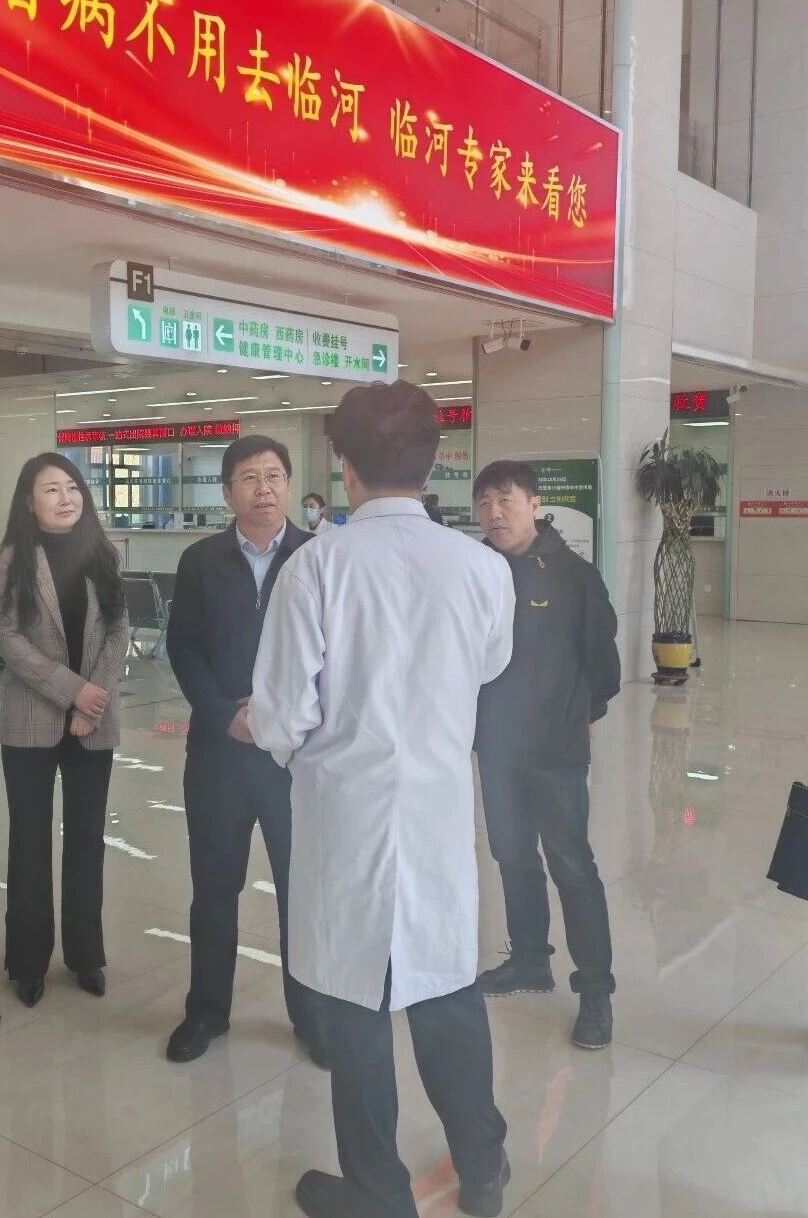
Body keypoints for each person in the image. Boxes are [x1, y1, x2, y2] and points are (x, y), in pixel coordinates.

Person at [247, 382, 516, 1218]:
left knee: (355, 1004)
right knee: (445, 989)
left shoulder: (316, 566)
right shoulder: (481, 567)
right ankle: (483, 1167)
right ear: (433, 464)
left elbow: (280, 716)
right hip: (435, 811)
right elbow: (490, 666)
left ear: (345, 466)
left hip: (345, 816)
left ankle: (376, 1191)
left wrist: (305, 746)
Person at [165, 436, 324, 1065]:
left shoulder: (317, 557)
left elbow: (336, 652)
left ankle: (311, 1017)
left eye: (275, 475)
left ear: (290, 485)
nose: (265, 488)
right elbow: (184, 647)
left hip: (297, 758)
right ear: (228, 491)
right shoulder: (201, 560)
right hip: (219, 752)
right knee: (213, 886)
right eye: (250, 477)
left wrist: (293, 721)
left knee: (300, 889)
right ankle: (207, 1011)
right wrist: (222, 715)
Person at [473, 459, 620, 1051]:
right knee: (512, 855)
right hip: (496, 746)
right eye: (485, 502)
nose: (494, 512)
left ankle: (596, 990)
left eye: (505, 499)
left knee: (571, 864)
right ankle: (530, 960)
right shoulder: (476, 569)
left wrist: (585, 712)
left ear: (535, 503)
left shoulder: (573, 574)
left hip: (555, 748)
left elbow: (602, 659)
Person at [0, 454, 130, 1007]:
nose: (66, 497)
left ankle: (85, 955)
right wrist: (71, 691)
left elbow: (118, 630)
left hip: (93, 719)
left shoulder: (103, 552)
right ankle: (28, 962)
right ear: (29, 502)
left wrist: (92, 702)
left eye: (72, 487)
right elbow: (5, 635)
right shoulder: (13, 558)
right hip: (32, 717)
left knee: (87, 839)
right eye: (51, 489)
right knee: (29, 842)